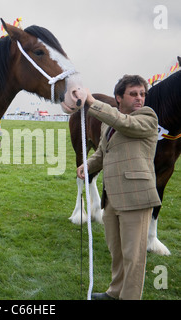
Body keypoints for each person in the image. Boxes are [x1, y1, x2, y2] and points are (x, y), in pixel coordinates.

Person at [77, 75, 161, 300]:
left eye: (142, 94)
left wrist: (92, 102)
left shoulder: (148, 117)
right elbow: (103, 152)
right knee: (117, 252)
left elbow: (125, 123)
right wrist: (87, 165)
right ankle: (115, 293)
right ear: (118, 98)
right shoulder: (109, 123)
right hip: (111, 197)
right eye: (133, 94)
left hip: (136, 197)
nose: (140, 98)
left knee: (133, 257)